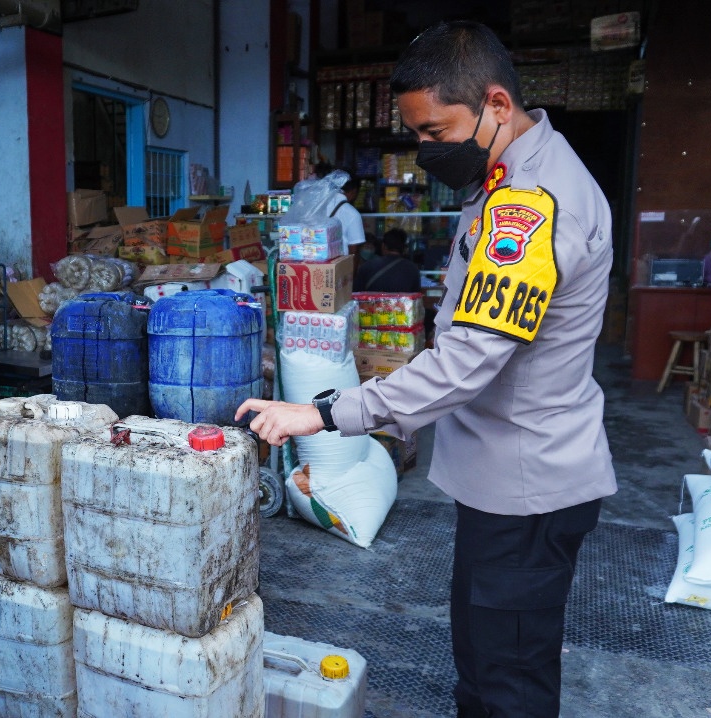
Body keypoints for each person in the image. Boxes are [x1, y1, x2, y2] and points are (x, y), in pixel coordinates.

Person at [238, 20, 614, 718]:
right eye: (419, 135)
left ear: (497, 104)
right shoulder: (510, 175)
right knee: (483, 654)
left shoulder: (532, 204)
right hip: (504, 476)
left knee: (509, 678)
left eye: (437, 132)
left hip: (528, 482)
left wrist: (323, 413)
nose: (426, 150)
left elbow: (470, 359)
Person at [354, 227, 422, 293]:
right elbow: (415, 297)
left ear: (383, 246)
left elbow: (356, 294)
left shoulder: (367, 266)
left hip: (372, 304)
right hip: (401, 304)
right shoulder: (413, 269)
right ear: (404, 248)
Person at [318, 166, 366, 255]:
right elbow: (354, 250)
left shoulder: (317, 205)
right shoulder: (352, 214)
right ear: (354, 191)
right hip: (338, 265)